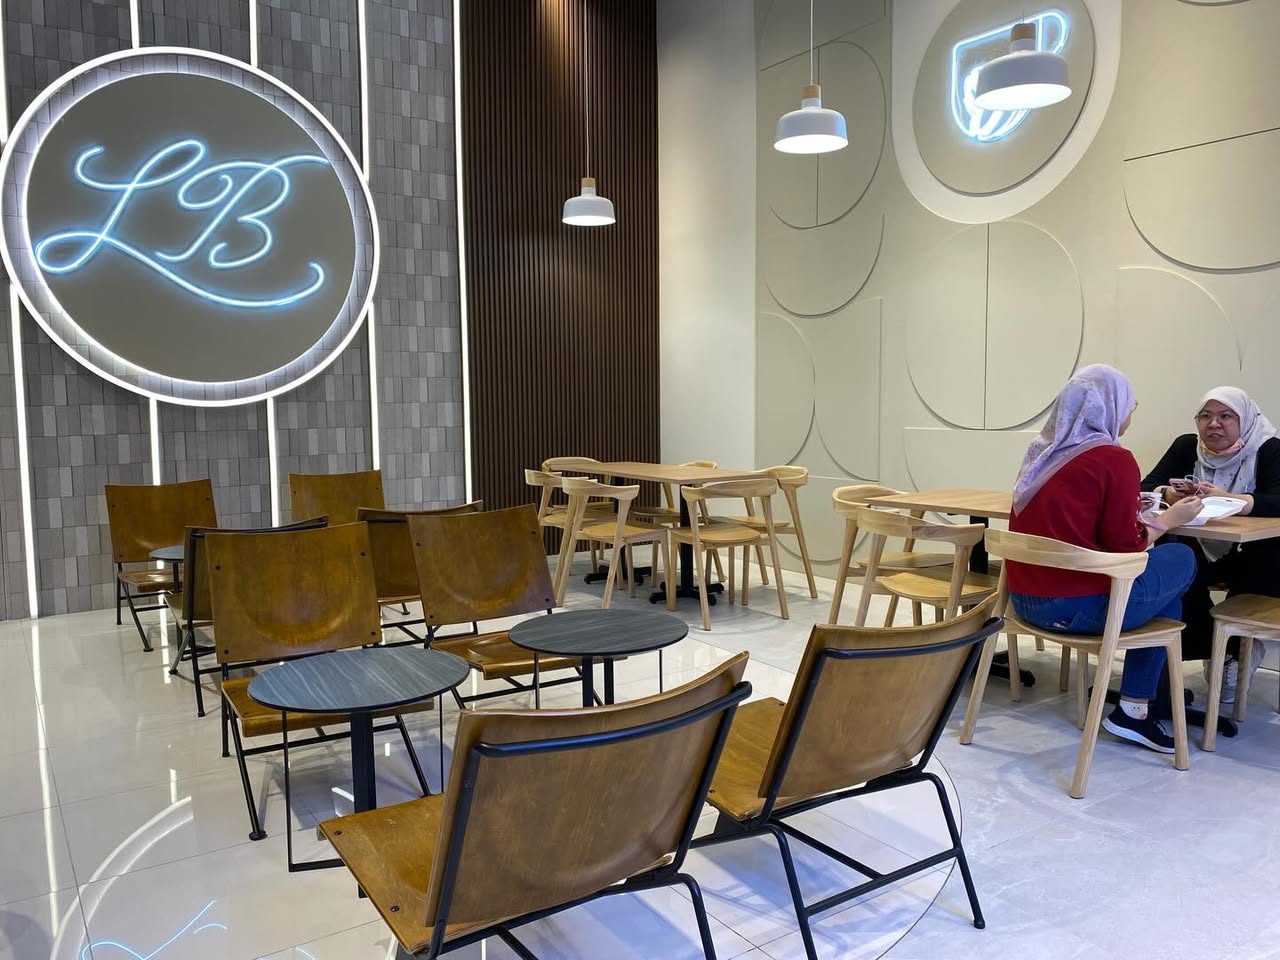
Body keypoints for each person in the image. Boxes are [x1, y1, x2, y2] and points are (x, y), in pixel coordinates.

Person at [1008, 364, 1203, 753]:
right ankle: (1134, 707)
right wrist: (1168, 519)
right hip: (1076, 609)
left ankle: (1139, 708)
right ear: (1109, 406)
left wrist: (1129, 508)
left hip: (1023, 602)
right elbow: (1126, 548)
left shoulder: (1042, 453)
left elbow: (1071, 521)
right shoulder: (1114, 459)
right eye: (1130, 405)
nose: (1131, 414)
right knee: (1180, 556)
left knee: (1168, 594)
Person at [1142, 387, 1278, 704]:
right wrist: (1171, 494)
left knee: (1269, 551)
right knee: (1174, 551)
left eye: (1225, 416)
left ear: (1245, 420)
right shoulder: (1187, 446)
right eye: (1205, 416)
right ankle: (1215, 646)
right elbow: (1146, 488)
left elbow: (1278, 501)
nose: (1214, 424)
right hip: (1202, 549)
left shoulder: (1268, 449)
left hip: (1252, 554)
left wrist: (1234, 501)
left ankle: (1237, 647)